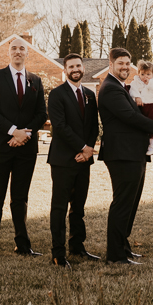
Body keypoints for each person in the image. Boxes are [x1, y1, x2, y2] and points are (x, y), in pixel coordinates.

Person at [0, 37, 48, 262]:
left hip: (26, 149)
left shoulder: (36, 80)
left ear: (27, 54)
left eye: (22, 48)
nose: (18, 52)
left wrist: (25, 134)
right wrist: (13, 131)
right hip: (1, 147)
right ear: (8, 53)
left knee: (20, 198)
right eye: (14, 48)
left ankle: (23, 245)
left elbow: (42, 114)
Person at [98, 47, 153, 265]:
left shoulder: (124, 87)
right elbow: (130, 116)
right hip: (122, 154)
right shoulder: (111, 88)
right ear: (111, 63)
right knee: (123, 203)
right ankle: (115, 255)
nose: (125, 67)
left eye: (127, 63)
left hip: (133, 152)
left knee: (130, 203)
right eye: (120, 63)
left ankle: (123, 246)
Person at [46, 53, 100, 268]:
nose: (75, 69)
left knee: (78, 207)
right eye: (71, 66)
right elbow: (60, 126)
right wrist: (82, 147)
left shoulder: (89, 94)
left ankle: (77, 246)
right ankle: (58, 253)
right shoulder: (57, 94)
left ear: (83, 68)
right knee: (59, 207)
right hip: (63, 159)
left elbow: (93, 125)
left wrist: (88, 151)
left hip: (84, 160)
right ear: (65, 70)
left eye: (78, 65)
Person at [129, 60, 153, 155]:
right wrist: (137, 96)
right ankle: (148, 144)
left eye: (148, 74)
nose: (145, 77)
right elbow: (133, 90)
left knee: (151, 123)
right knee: (143, 124)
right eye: (142, 74)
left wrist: (150, 83)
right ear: (138, 74)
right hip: (143, 106)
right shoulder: (136, 81)